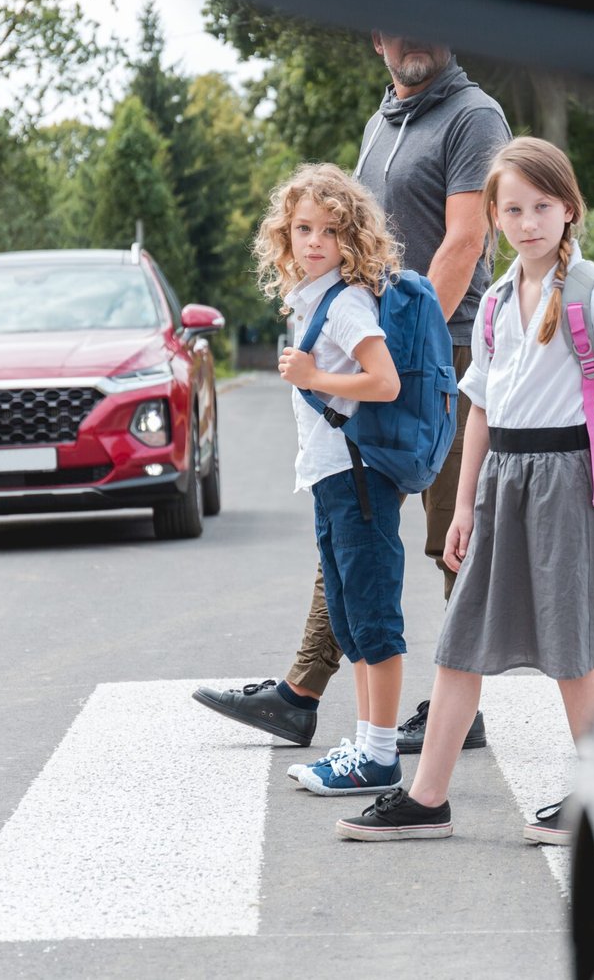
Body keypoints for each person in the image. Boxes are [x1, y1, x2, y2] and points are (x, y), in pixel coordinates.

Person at [335, 136, 594, 842]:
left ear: (569, 209)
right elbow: (479, 409)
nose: (527, 222)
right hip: (503, 485)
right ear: (493, 216)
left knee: (570, 655)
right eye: (512, 209)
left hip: (571, 485)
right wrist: (463, 505)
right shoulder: (491, 303)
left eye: (541, 206)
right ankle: (428, 798)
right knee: (460, 644)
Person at [193, 34, 511, 751]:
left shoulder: (474, 116)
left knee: (451, 535)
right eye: (396, 25)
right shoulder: (382, 124)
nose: (413, 38)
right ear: (376, 37)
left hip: (443, 353)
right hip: (383, 348)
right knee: (352, 515)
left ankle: (460, 703)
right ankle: (300, 692)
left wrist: (403, 348)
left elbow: (464, 240)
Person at [250, 162, 410, 796]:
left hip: (358, 477)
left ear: (353, 238)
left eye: (330, 230)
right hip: (333, 478)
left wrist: (314, 377)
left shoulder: (346, 304)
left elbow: (385, 381)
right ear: (284, 237)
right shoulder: (313, 299)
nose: (314, 241)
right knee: (349, 621)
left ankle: (379, 754)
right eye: (302, 229)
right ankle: (369, 744)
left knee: (373, 621)